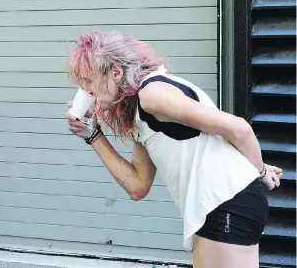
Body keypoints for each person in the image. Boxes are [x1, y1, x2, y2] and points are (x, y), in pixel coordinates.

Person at [65, 31, 283, 268]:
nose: (86, 90)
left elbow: (239, 129)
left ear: (116, 72)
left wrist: (260, 172)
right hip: (224, 203)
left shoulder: (152, 94)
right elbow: (137, 186)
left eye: (89, 80)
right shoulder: (141, 109)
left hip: (225, 201)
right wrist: (93, 134)